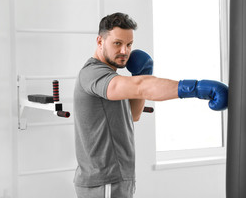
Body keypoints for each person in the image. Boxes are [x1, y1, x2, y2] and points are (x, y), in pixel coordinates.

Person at [73, 12, 228, 198]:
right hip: (104, 180)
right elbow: (141, 87)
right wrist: (195, 88)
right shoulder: (93, 74)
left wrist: (142, 72)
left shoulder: (112, 78)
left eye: (129, 44)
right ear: (100, 41)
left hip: (116, 178)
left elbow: (133, 115)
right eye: (117, 43)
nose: (125, 51)